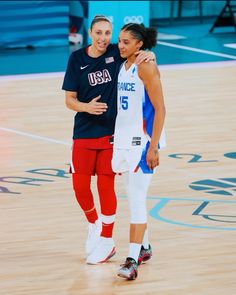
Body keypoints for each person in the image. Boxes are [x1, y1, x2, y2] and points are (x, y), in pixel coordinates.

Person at [62, 15, 155, 265]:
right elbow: (69, 99)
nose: (104, 38)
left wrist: (150, 54)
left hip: (111, 135)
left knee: (106, 188)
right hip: (83, 132)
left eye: (107, 33)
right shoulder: (77, 59)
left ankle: (107, 239)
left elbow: (139, 51)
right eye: (99, 33)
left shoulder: (118, 52)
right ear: (90, 32)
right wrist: (85, 107)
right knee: (80, 187)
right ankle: (93, 225)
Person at [112, 23, 166, 280]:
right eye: (119, 40)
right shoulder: (122, 64)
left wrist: (153, 146)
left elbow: (161, 109)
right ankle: (144, 247)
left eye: (126, 42)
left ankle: (132, 260)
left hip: (143, 143)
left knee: (136, 200)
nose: (120, 45)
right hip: (123, 140)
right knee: (131, 196)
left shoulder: (145, 66)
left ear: (139, 44)